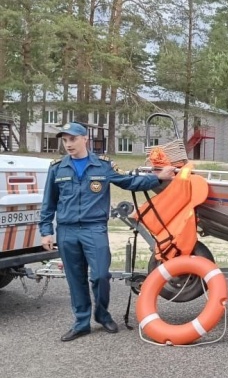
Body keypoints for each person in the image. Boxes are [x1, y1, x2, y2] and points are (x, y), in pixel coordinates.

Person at [40, 122, 176, 342]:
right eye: (65, 140)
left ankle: (102, 314)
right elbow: (49, 203)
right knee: (76, 279)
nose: (68, 144)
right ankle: (81, 322)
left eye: (73, 139)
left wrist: (159, 178)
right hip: (67, 231)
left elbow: (129, 181)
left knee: (101, 275)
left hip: (94, 229)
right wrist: (46, 230)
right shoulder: (57, 168)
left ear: (85, 139)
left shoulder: (103, 166)